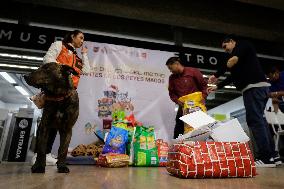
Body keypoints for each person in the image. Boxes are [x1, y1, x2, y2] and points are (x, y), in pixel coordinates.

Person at [207, 34, 281, 167]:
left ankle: (266, 157)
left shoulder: (243, 45)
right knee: (261, 120)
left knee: (254, 120)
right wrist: (217, 86)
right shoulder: (241, 59)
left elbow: (231, 61)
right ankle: (273, 156)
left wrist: (216, 75)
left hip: (253, 88)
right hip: (260, 88)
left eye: (225, 46)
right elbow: (233, 76)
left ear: (231, 41)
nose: (225, 50)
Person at [31, 30, 91, 166]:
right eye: (81, 38)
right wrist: (62, 69)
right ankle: (38, 155)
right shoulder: (59, 45)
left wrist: (85, 54)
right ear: (72, 36)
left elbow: (86, 71)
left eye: (83, 39)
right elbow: (47, 59)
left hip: (69, 95)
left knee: (63, 126)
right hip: (54, 92)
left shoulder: (76, 56)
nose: (82, 41)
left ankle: (48, 155)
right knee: (47, 125)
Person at [166, 57, 208, 139]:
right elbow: (172, 93)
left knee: (200, 128)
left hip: (197, 105)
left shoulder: (193, 71)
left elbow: (204, 86)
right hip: (183, 107)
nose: (170, 71)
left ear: (177, 64)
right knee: (179, 128)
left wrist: (203, 97)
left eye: (171, 68)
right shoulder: (171, 78)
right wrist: (177, 101)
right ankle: (177, 147)